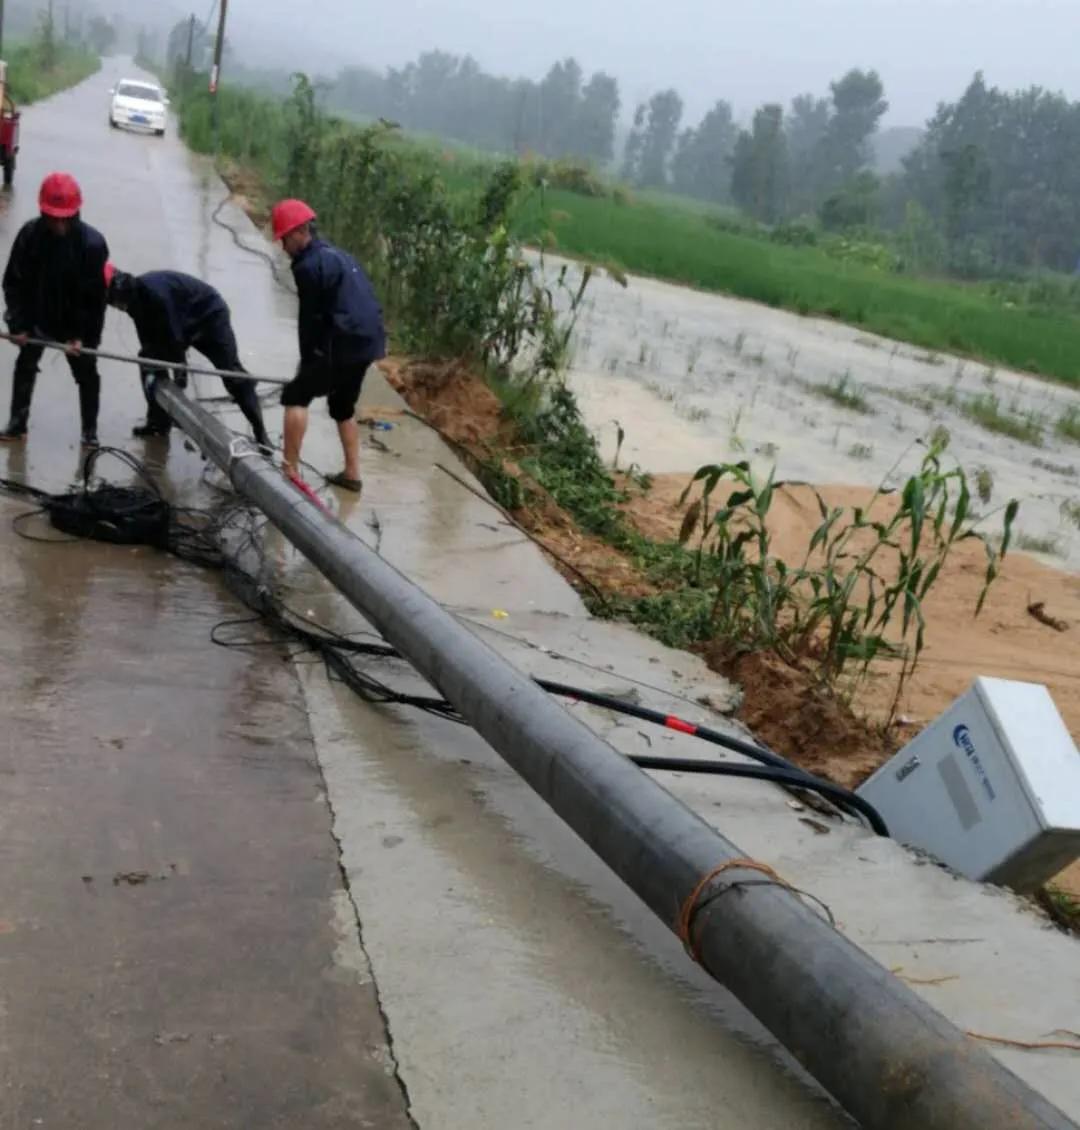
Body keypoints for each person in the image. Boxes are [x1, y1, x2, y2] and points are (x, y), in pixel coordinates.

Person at [271, 199, 385, 493]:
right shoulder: (339, 255)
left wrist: (309, 360)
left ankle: (289, 473)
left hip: (344, 341)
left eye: (284, 238)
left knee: (296, 396)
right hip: (369, 341)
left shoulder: (308, 266)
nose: (283, 248)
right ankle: (352, 474)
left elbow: (311, 319)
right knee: (342, 405)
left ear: (299, 232)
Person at [105, 265, 270, 447]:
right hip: (182, 317)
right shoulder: (132, 299)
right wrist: (149, 357)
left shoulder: (156, 296)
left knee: (232, 375)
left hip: (210, 315)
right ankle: (158, 424)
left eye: (118, 304)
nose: (119, 308)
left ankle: (261, 434)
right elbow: (146, 336)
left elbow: (175, 339)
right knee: (147, 361)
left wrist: (180, 375)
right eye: (115, 305)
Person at [1, 172, 109, 447]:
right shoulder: (30, 235)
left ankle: (89, 431)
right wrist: (18, 325)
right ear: (43, 211)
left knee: (87, 372)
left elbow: (95, 300)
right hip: (39, 315)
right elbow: (14, 283)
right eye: (53, 217)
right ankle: (17, 424)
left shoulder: (92, 245)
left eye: (65, 217)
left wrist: (84, 338)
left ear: (75, 213)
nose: (59, 223)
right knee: (25, 365)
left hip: (76, 320)